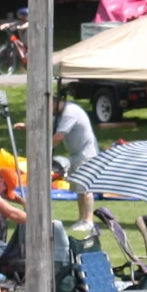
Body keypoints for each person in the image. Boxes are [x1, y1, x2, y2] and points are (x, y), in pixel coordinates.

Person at [51, 91, 98, 231]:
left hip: (86, 153)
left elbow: (59, 136)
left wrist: (44, 149)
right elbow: (46, 128)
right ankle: (81, 219)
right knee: (79, 189)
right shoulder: (58, 115)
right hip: (76, 154)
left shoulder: (70, 112)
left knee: (85, 188)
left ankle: (88, 220)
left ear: (56, 102)